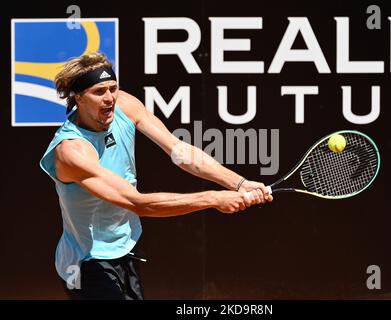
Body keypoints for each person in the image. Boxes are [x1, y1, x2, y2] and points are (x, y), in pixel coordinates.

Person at [39, 52, 272, 300]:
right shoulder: (72, 152)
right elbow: (138, 203)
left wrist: (239, 183)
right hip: (86, 264)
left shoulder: (124, 106)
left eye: (113, 88)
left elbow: (178, 150)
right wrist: (214, 199)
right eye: (99, 92)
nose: (109, 98)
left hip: (125, 248)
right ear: (78, 97)